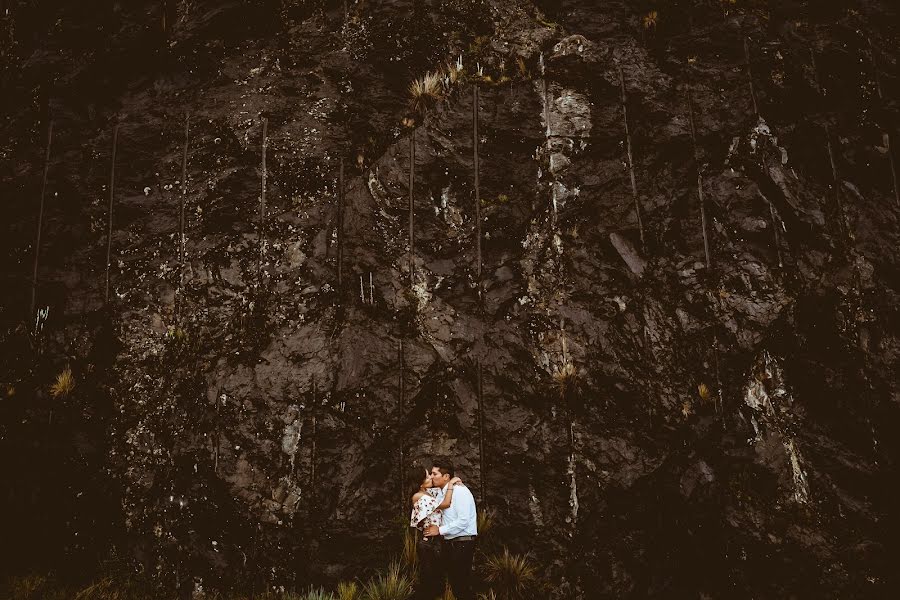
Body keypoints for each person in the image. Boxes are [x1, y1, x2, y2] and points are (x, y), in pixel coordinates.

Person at [423, 461, 477, 600]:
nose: (432, 477)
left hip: (462, 543)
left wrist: (439, 530)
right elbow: (425, 491)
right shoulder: (443, 492)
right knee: (454, 585)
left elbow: (463, 520)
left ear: (446, 476)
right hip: (450, 544)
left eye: (435, 474)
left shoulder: (460, 491)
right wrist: (451, 483)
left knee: (461, 587)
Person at [409, 467, 462, 600]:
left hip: (435, 540)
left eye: (431, 475)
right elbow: (445, 503)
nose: (431, 478)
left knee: (437, 581)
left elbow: (440, 490)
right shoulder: (419, 496)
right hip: (428, 543)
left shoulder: (428, 492)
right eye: (427, 477)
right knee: (429, 582)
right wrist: (450, 484)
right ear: (420, 483)